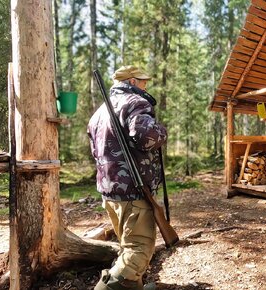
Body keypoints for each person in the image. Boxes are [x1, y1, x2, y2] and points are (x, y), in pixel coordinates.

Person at [88, 65, 167, 290]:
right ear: (132, 82)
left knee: (127, 244)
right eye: (143, 82)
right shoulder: (135, 102)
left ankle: (134, 287)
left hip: (110, 190)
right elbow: (147, 137)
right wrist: (162, 131)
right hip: (133, 189)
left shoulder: (100, 111)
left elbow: (95, 150)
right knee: (139, 249)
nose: (145, 86)